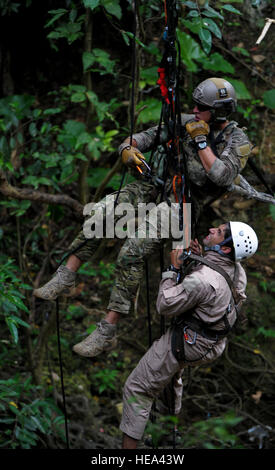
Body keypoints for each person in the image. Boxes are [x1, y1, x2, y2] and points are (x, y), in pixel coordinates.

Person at [33, 77, 254, 358]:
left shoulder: (237, 141)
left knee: (132, 251)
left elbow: (222, 176)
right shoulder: (187, 121)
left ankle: (107, 330)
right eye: (195, 106)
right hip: (156, 183)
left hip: (183, 202)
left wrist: (200, 140)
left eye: (202, 107)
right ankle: (66, 276)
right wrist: (128, 148)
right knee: (101, 213)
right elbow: (145, 137)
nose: (195, 111)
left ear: (220, 111)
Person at [120, 221, 258, 449]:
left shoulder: (203, 280)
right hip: (211, 343)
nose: (212, 229)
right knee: (166, 378)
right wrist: (201, 258)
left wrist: (173, 269)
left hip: (187, 341)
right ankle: (167, 438)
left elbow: (165, 304)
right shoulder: (237, 271)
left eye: (220, 232)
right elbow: (217, 290)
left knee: (138, 388)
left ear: (225, 248)